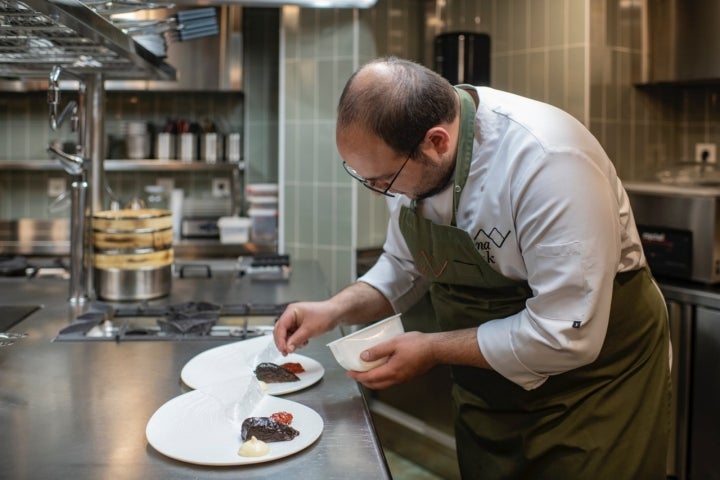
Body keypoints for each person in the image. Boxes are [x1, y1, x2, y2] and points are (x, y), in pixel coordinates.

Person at [273, 56, 670, 479]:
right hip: (488, 391)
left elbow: (565, 334)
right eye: (364, 178)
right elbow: (403, 265)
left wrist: (432, 348)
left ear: (437, 142)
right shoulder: (410, 154)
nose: (378, 193)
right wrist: (334, 309)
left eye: (383, 180)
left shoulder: (548, 160)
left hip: (592, 389)